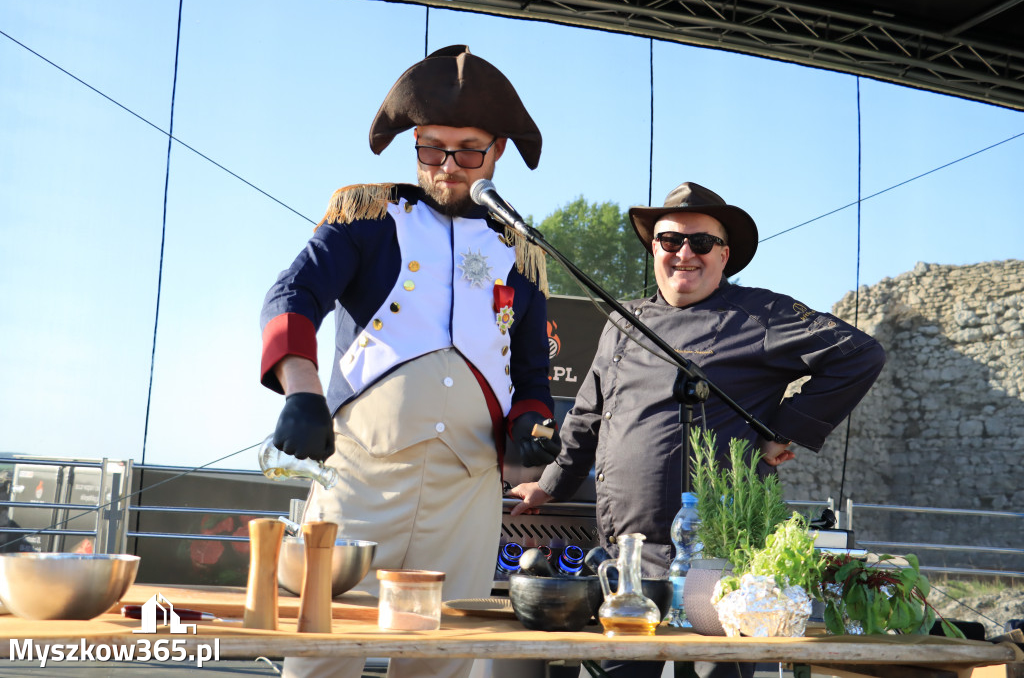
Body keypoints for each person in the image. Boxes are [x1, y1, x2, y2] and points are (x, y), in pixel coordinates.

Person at [260, 45, 559, 678]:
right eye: (432, 148)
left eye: (469, 150)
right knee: (323, 648)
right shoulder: (365, 216)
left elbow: (531, 375)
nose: (449, 166)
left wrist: (533, 422)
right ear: (415, 144)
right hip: (361, 475)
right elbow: (293, 296)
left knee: (440, 656)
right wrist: (301, 390)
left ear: (498, 151)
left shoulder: (519, 250)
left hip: (469, 487)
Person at [509, 181, 886, 678]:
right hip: (628, 556)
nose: (684, 252)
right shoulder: (624, 320)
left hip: (721, 561)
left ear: (724, 255)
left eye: (701, 242)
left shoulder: (761, 314)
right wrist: (550, 484)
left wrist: (782, 429)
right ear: (654, 249)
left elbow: (860, 354)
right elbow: (586, 417)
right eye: (670, 241)